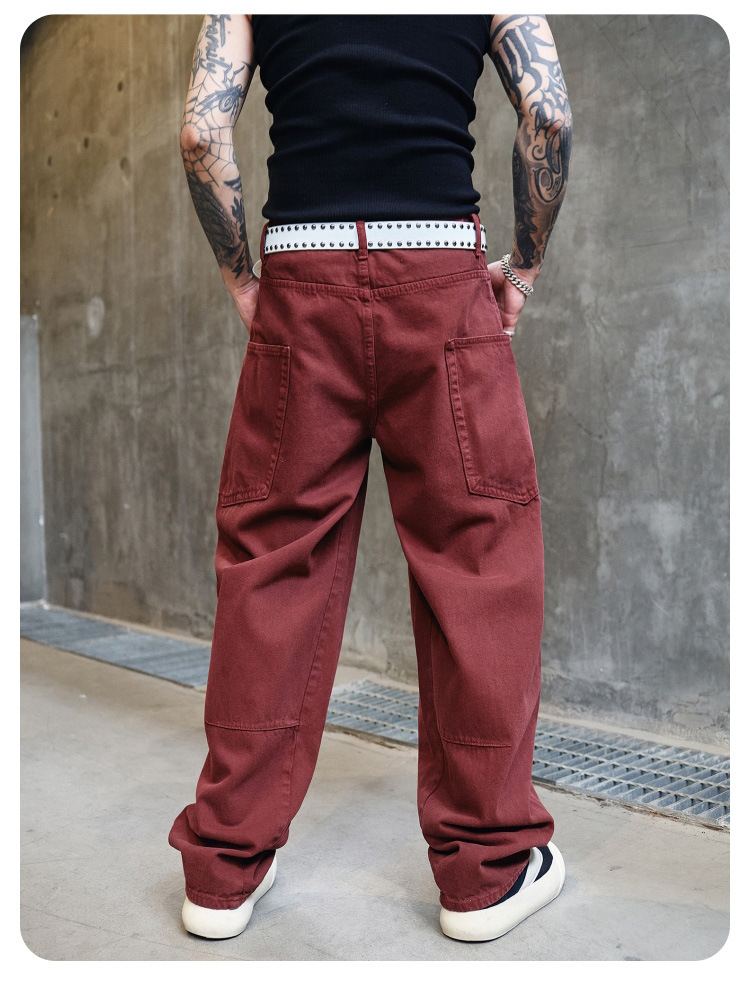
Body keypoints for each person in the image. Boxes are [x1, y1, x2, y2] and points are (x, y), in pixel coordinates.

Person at [168, 13, 572, 944]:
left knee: (271, 564)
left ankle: (222, 870)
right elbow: (547, 112)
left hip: (300, 275)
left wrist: (242, 278)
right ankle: (487, 871)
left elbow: (201, 129)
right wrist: (525, 268)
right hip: (440, 272)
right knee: (481, 557)